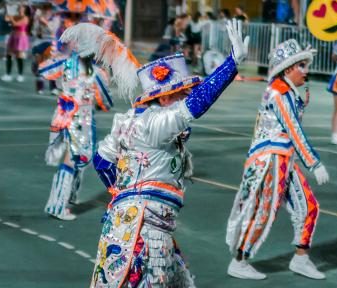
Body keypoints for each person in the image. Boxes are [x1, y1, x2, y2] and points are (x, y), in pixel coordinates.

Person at [60, 20, 248, 287]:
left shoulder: (131, 120)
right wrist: (231, 65)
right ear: (163, 98)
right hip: (146, 230)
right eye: (180, 93)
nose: (186, 97)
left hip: (133, 222)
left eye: (185, 93)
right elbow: (198, 103)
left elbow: (102, 160)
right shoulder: (157, 124)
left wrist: (122, 192)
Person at [225, 39, 330, 281]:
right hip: (269, 160)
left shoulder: (287, 91)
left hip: (284, 158)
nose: (306, 70)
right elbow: (293, 128)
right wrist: (314, 162)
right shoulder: (278, 93)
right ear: (287, 69)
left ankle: (301, 258)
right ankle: (239, 261)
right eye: (301, 65)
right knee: (263, 211)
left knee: (308, 206)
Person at [40, 50, 114, 220]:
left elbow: (44, 70)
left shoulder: (66, 63)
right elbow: (106, 103)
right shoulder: (96, 73)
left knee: (80, 156)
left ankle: (69, 196)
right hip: (81, 119)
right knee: (74, 158)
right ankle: (57, 206)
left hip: (63, 113)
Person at [31, 4, 60, 95]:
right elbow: (33, 31)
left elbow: (54, 31)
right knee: (39, 64)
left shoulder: (56, 19)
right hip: (39, 41)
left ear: (51, 10)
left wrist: (45, 22)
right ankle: (40, 87)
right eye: (44, 8)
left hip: (51, 42)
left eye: (48, 9)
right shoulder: (38, 18)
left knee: (50, 64)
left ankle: (53, 88)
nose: (46, 11)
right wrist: (37, 26)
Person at [2, 5, 31, 82]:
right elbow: (6, 19)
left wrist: (11, 18)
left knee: (19, 56)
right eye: (19, 9)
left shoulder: (26, 18)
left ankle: (20, 75)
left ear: (25, 10)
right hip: (13, 37)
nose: (20, 10)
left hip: (21, 38)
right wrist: (7, 13)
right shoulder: (15, 16)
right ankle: (8, 74)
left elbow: (15, 24)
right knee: (9, 55)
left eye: (22, 9)